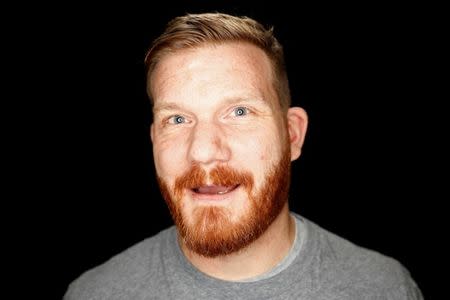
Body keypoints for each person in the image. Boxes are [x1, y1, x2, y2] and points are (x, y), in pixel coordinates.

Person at [64, 12, 423, 299]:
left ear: (292, 134)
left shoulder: (382, 288)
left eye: (238, 112)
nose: (203, 151)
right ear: (154, 139)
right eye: (177, 119)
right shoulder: (95, 293)